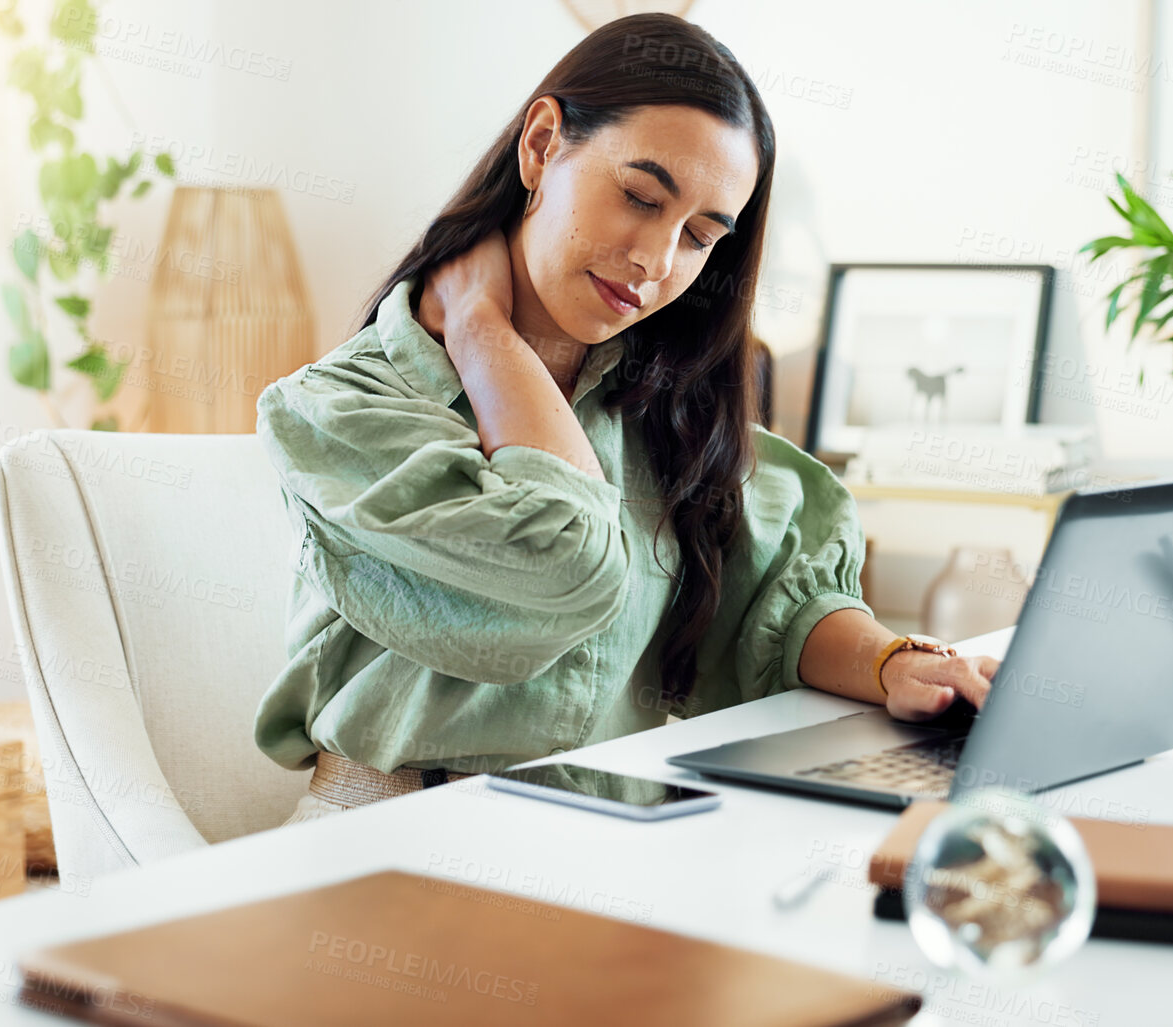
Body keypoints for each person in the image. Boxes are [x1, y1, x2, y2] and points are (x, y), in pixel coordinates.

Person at [253, 12, 995, 826]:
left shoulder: (658, 407)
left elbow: (773, 604)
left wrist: (895, 661)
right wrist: (481, 330)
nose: (655, 260)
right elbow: (560, 564)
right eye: (639, 197)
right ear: (541, 146)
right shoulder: (339, 409)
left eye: (699, 236)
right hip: (395, 844)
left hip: (614, 838)